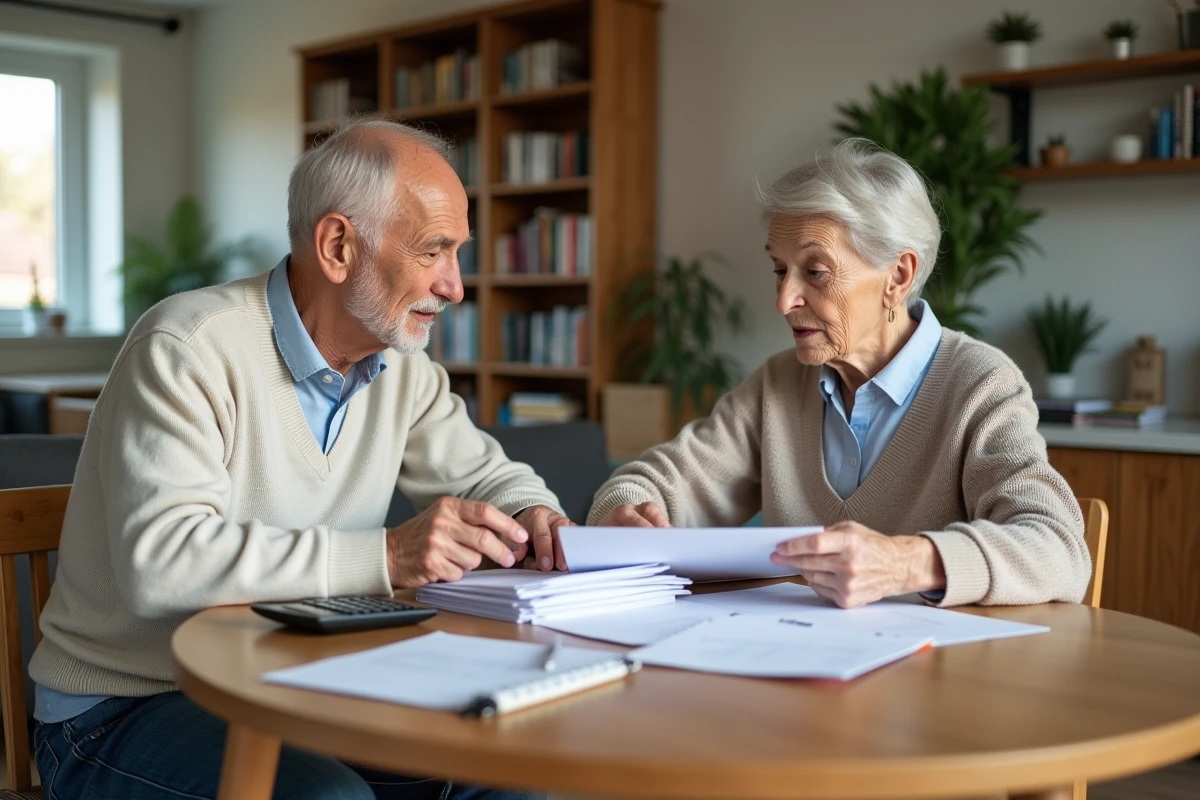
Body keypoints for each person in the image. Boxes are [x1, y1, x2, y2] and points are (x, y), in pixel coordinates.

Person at [29, 119, 569, 800]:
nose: (456, 286)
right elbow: (161, 563)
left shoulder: (401, 366)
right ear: (338, 246)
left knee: (506, 769)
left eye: (457, 253)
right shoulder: (186, 347)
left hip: (294, 683)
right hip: (124, 706)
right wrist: (388, 556)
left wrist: (535, 513)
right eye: (434, 251)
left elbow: (487, 475)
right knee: (329, 799)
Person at [587, 138, 1090, 610]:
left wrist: (906, 563)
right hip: (800, 661)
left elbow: (1058, 547)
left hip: (939, 670)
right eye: (780, 270)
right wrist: (627, 511)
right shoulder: (778, 384)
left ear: (898, 276)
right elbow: (656, 481)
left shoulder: (980, 384)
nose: (784, 301)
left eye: (816, 272)